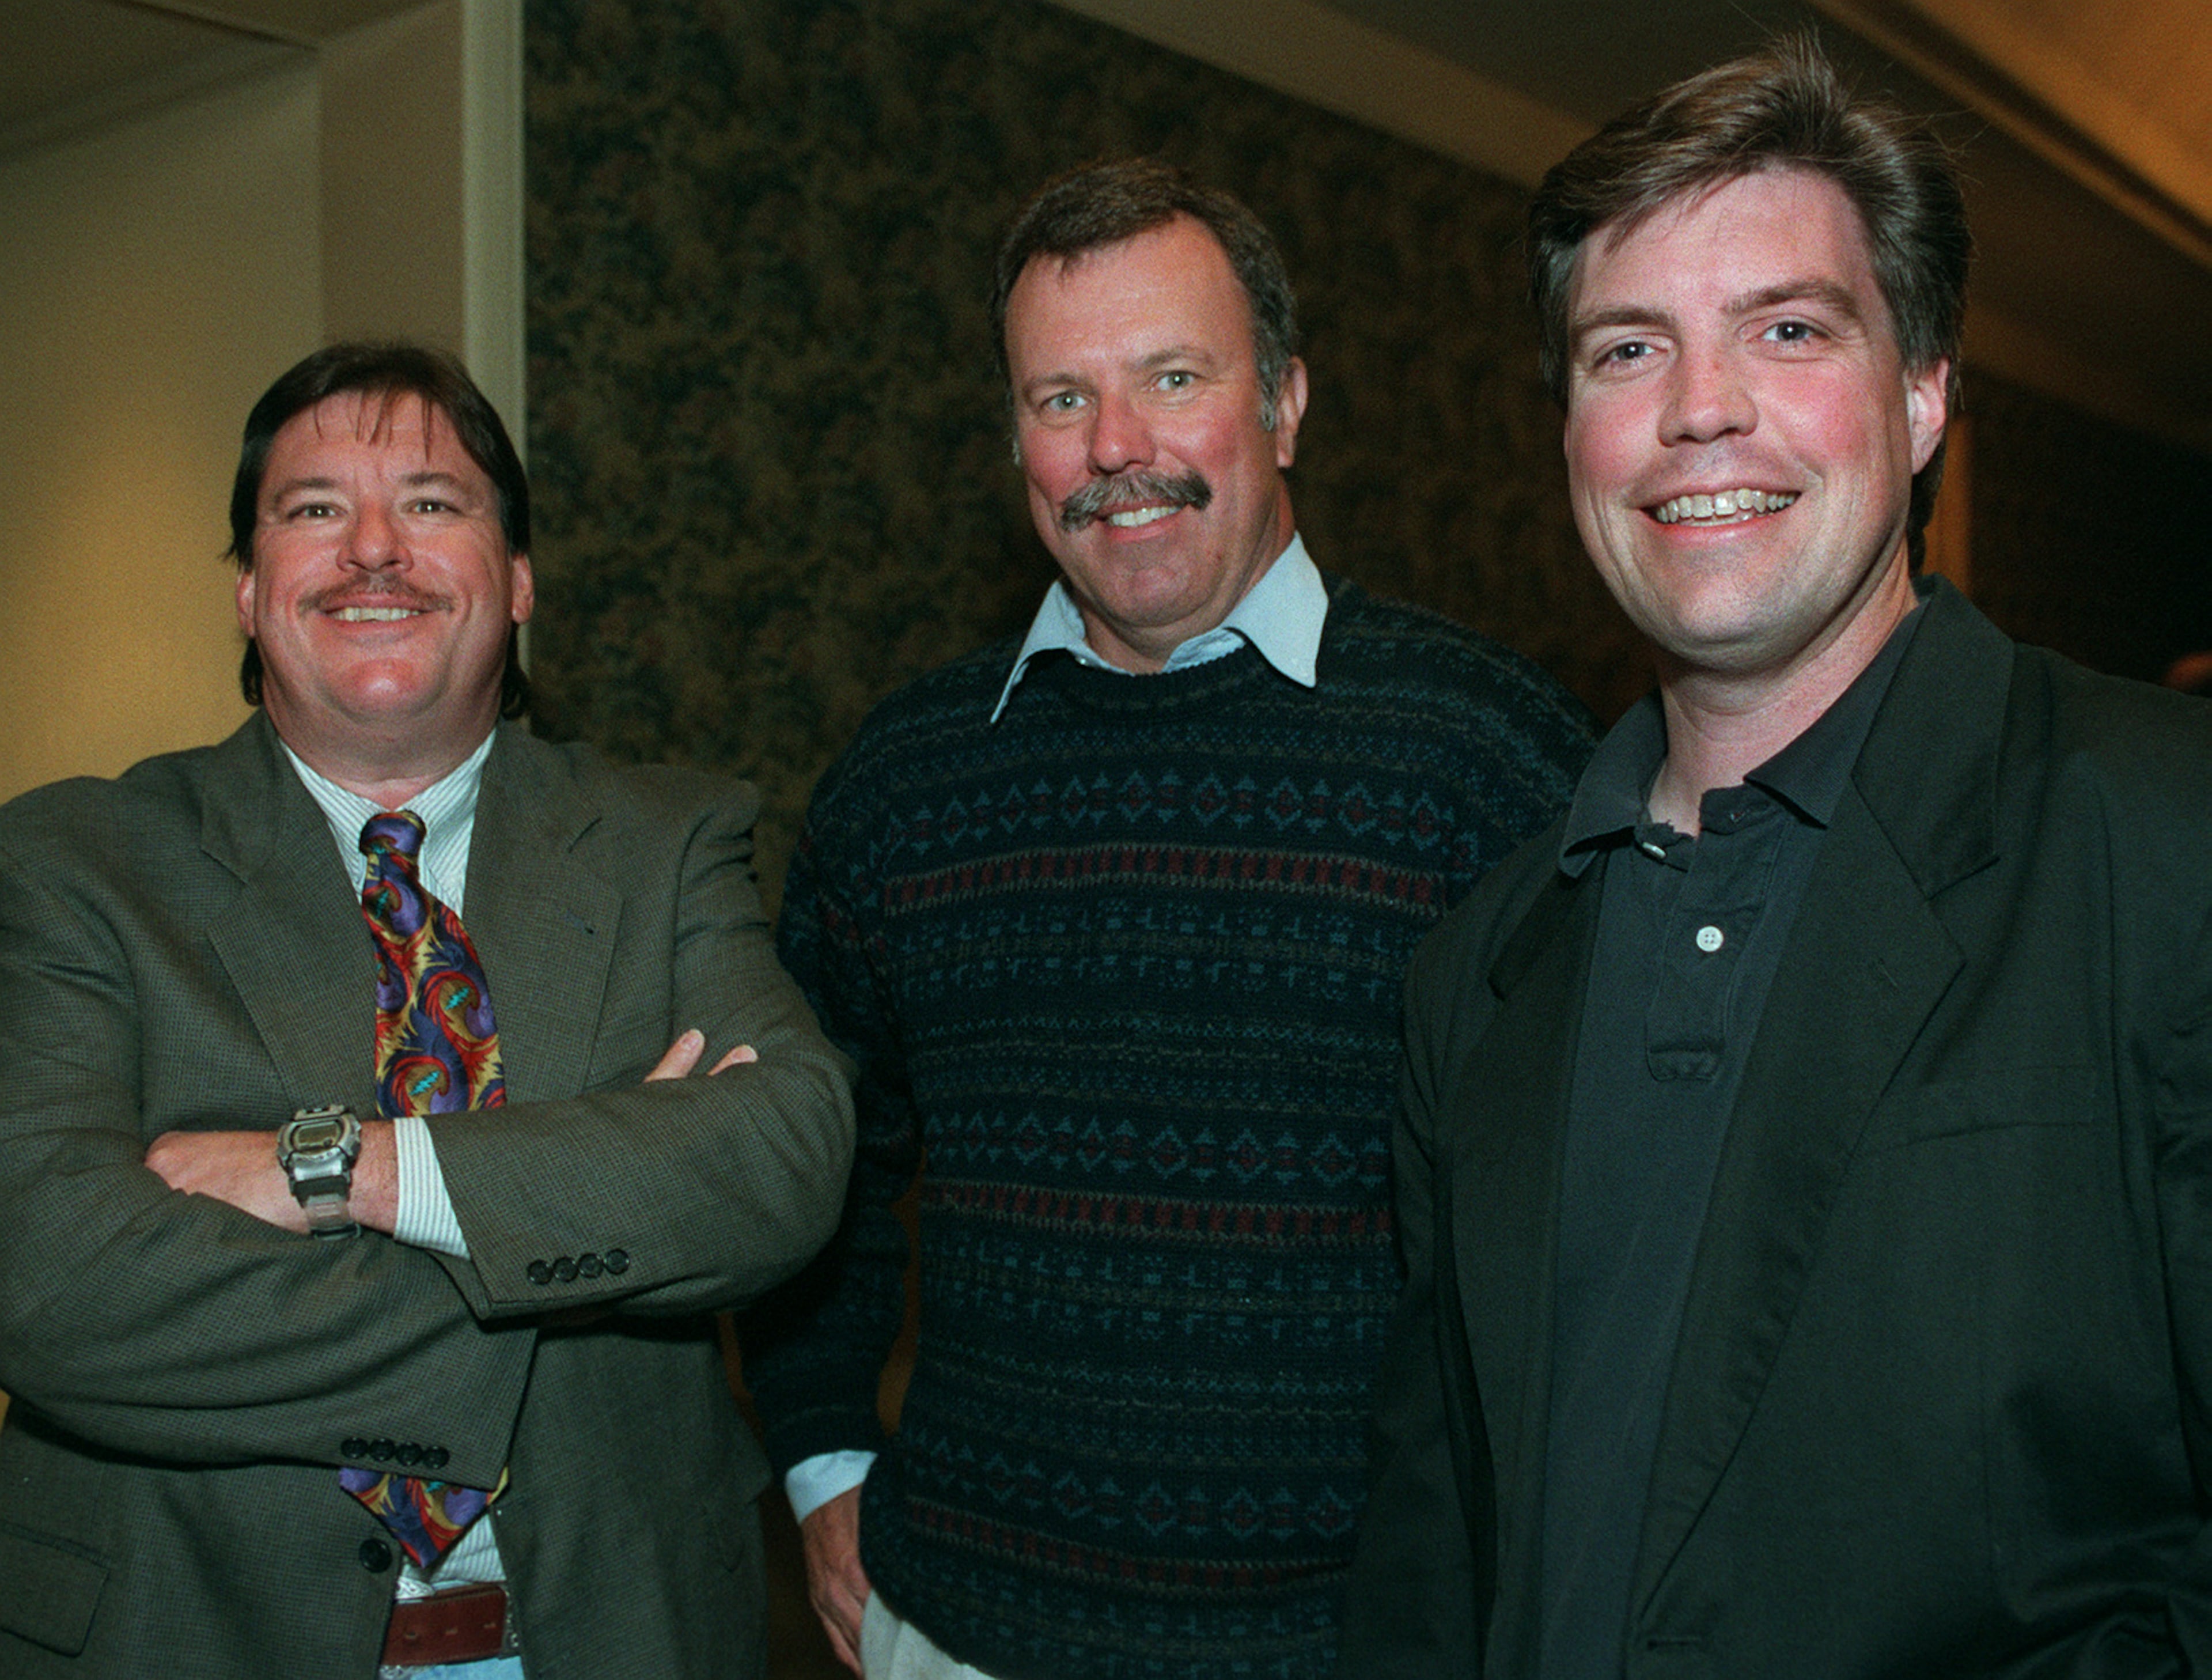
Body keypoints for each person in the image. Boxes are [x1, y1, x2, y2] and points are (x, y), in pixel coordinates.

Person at [1342, 36, 2212, 1677]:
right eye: (1625, 351)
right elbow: (1434, 1535)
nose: (1702, 410)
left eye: (1790, 329)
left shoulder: (2165, 840)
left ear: (1926, 387)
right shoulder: (1483, 965)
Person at [741, 159, 1595, 1680]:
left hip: (1363, 1638)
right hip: (953, 1623)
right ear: (1013, 438)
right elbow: (820, 1158)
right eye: (1059, 400)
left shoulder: (1485, 753)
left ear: (1285, 402)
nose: (1116, 449)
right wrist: (819, 1463)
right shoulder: (907, 779)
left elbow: (1613, 1218)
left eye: (1173, 378)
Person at [0, 342, 854, 1678]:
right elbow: (49, 1288)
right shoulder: (72, 865)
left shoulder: (669, 839)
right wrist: (600, 1205)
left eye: (434, 503)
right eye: (314, 509)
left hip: (617, 1636)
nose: (375, 551)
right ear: (248, 587)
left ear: (517, 584)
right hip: (185, 1635)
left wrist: (352, 1170)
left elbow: (789, 1158)